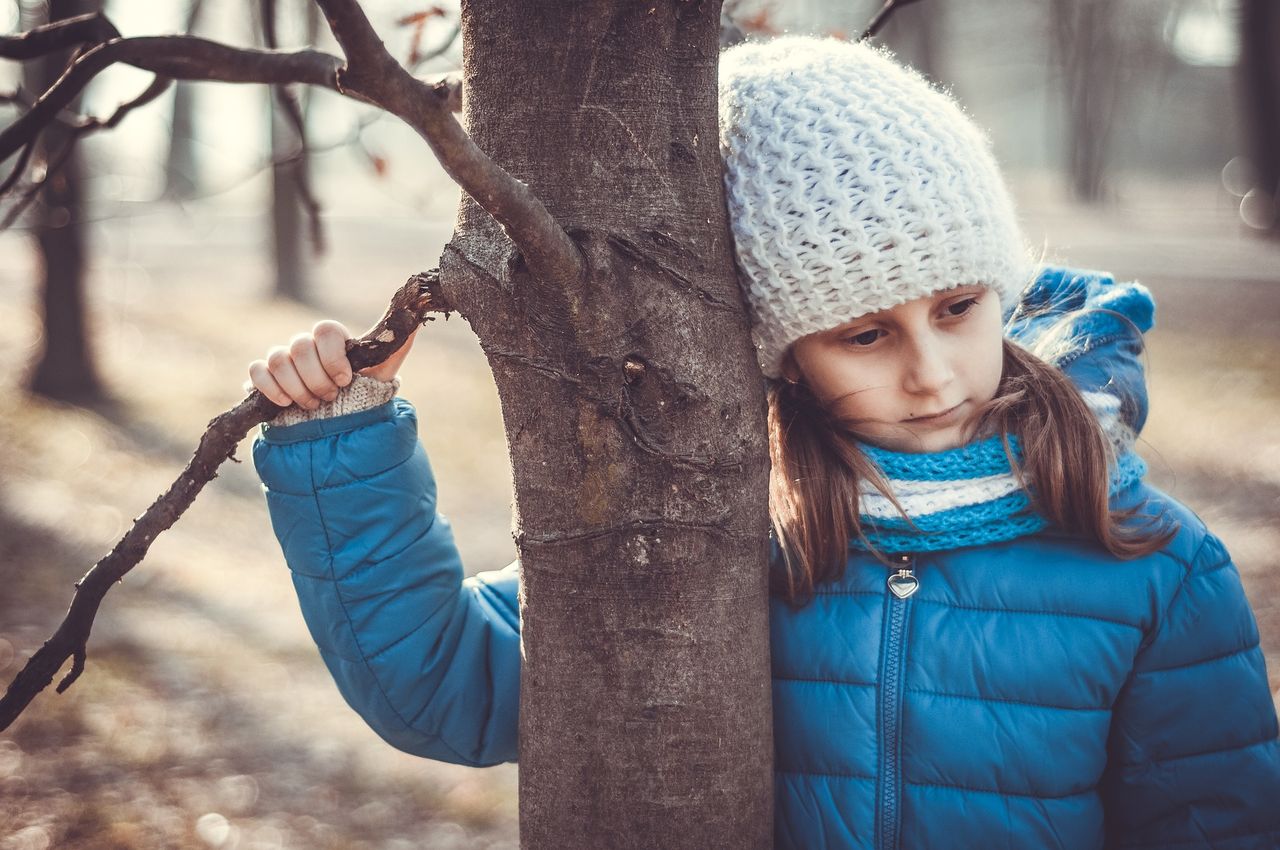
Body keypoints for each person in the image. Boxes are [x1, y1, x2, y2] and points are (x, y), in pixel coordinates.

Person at [248, 35, 1280, 849]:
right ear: (777, 352)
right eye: (864, 333)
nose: (930, 370)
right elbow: (446, 683)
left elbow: (1213, 822)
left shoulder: (1149, 560)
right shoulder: (723, 525)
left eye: (959, 306)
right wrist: (342, 451)